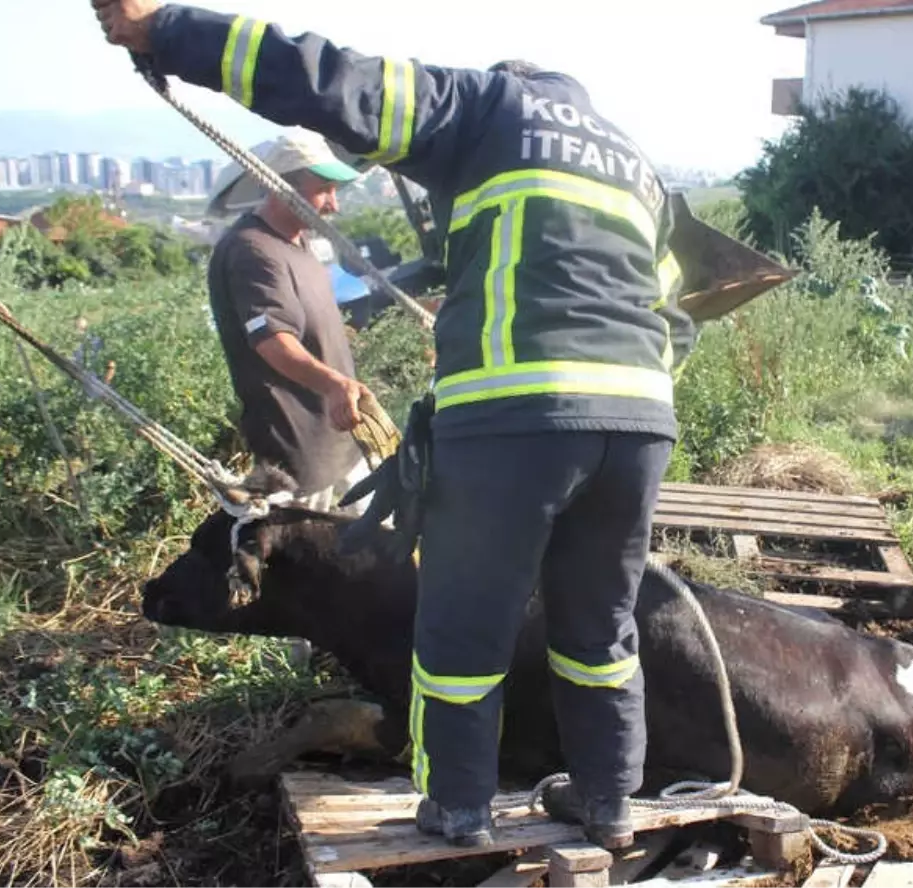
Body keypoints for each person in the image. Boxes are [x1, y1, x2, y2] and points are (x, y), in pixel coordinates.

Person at [93, 0, 699, 851]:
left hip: (515, 419)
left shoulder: (489, 105)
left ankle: (458, 805)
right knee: (601, 622)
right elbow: (675, 311)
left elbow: (328, 80)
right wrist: (625, 400)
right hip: (637, 424)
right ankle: (607, 800)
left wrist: (165, 30)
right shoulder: (635, 164)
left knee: (462, 621)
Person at [205, 130, 376, 513]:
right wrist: (333, 384)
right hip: (298, 460)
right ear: (279, 186)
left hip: (340, 447)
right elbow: (273, 341)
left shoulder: (298, 244)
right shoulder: (252, 250)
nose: (333, 204)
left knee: (379, 559)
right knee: (310, 566)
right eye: (324, 190)